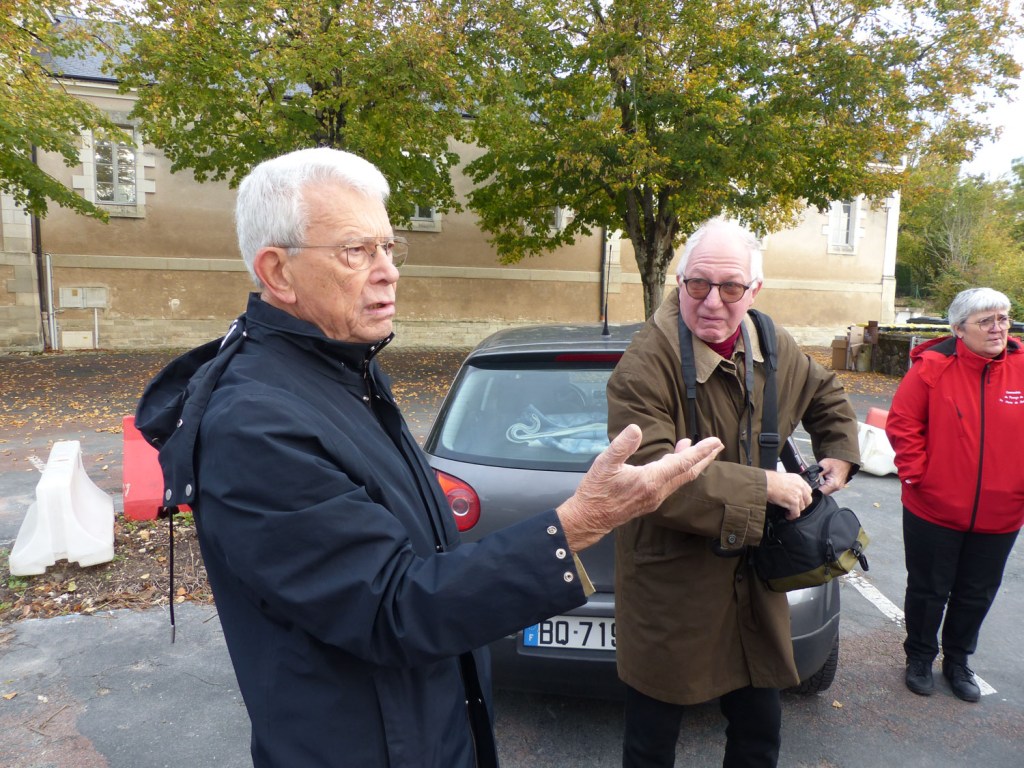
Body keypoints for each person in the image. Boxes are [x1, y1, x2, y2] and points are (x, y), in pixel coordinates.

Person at [134, 147, 723, 768]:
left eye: (389, 248)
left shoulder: (344, 369)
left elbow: (424, 560)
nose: (388, 272)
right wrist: (579, 522)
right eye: (356, 251)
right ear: (278, 272)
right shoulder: (255, 425)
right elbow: (391, 608)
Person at [605, 216, 861, 767]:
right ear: (680, 281)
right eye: (698, 284)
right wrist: (765, 485)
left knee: (759, 735)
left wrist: (839, 449)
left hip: (754, 579)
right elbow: (648, 478)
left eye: (730, 287)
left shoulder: (769, 339)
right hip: (672, 587)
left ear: (754, 290)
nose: (712, 301)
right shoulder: (646, 364)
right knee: (650, 743)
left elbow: (824, 391)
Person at [885, 287, 1024, 703]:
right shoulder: (932, 366)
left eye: (1003, 318)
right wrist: (919, 478)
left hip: (1002, 511)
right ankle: (919, 657)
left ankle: (959, 661)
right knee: (929, 589)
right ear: (959, 329)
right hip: (933, 509)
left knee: (976, 593)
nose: (998, 328)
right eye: (986, 321)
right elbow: (903, 423)